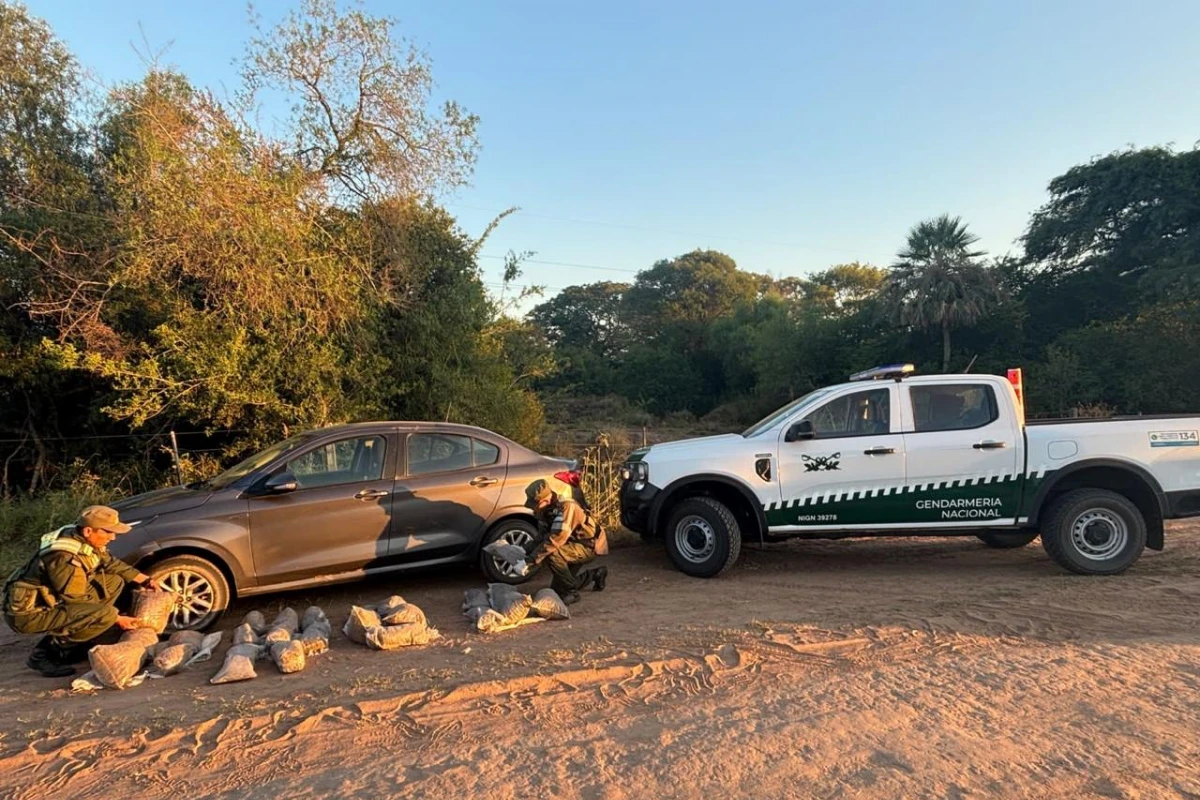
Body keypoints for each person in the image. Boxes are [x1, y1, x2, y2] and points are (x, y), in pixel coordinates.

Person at [2, 505, 167, 678]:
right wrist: (116, 619)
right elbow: (75, 601)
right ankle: (46, 653)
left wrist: (146, 580)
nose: (113, 537)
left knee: (114, 581)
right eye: (108, 532)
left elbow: (110, 563)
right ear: (89, 531)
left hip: (52, 598)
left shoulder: (80, 537)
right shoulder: (65, 558)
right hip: (28, 614)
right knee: (105, 615)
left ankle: (80, 638)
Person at [522, 479, 608, 605]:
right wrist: (524, 549)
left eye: (535, 505)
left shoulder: (567, 507)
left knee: (552, 554)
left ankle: (571, 593)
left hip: (589, 546)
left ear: (544, 501)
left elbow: (557, 538)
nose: (533, 509)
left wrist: (531, 560)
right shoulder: (545, 511)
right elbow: (542, 537)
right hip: (571, 545)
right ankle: (595, 574)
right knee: (558, 588)